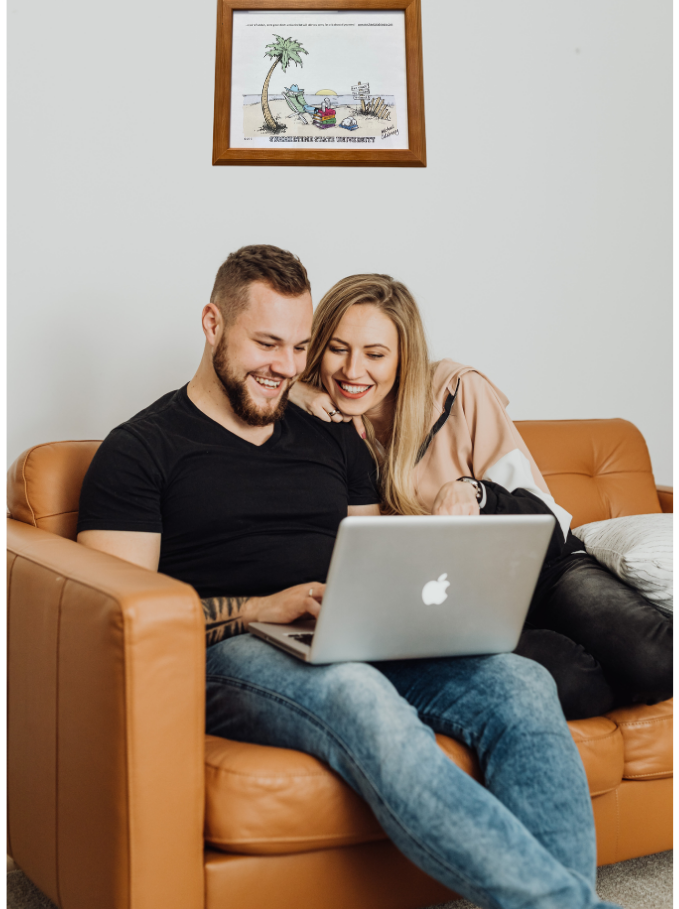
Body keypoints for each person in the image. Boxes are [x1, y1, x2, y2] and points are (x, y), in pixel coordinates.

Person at [77, 245, 620, 909]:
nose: (284, 366)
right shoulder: (140, 449)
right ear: (212, 323)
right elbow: (117, 617)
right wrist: (255, 609)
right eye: (266, 343)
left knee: (522, 683)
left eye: (300, 346)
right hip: (235, 651)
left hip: (348, 629)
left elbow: (374, 550)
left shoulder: (332, 435)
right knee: (360, 695)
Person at [290, 273, 673, 720]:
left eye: (375, 354)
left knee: (657, 662)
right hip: (458, 603)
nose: (353, 371)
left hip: (544, 570)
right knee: (571, 684)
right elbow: (249, 384)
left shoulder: (458, 392)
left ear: (403, 357)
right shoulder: (321, 427)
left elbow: (546, 517)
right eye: (338, 349)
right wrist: (294, 389)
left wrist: (477, 492)